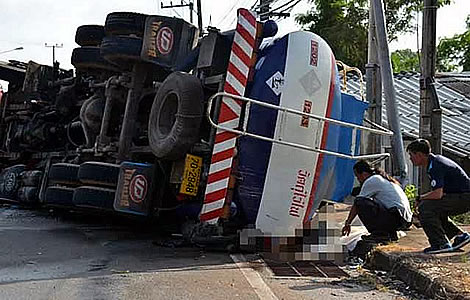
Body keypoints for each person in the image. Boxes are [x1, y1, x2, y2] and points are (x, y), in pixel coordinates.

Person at [407, 139, 470, 254]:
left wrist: (420, 198)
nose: (410, 159)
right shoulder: (434, 162)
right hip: (461, 196)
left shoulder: (436, 165)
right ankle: (459, 236)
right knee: (433, 207)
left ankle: (440, 243)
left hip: (464, 197)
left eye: (411, 155)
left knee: (425, 208)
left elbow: (437, 194)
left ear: (419, 155)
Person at [342, 160, 412, 243]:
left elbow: (357, 204)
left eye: (358, 177)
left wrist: (348, 223)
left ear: (364, 174)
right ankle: (390, 233)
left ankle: (380, 234)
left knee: (361, 202)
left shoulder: (372, 180)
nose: (358, 180)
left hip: (398, 218)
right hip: (404, 219)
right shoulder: (383, 179)